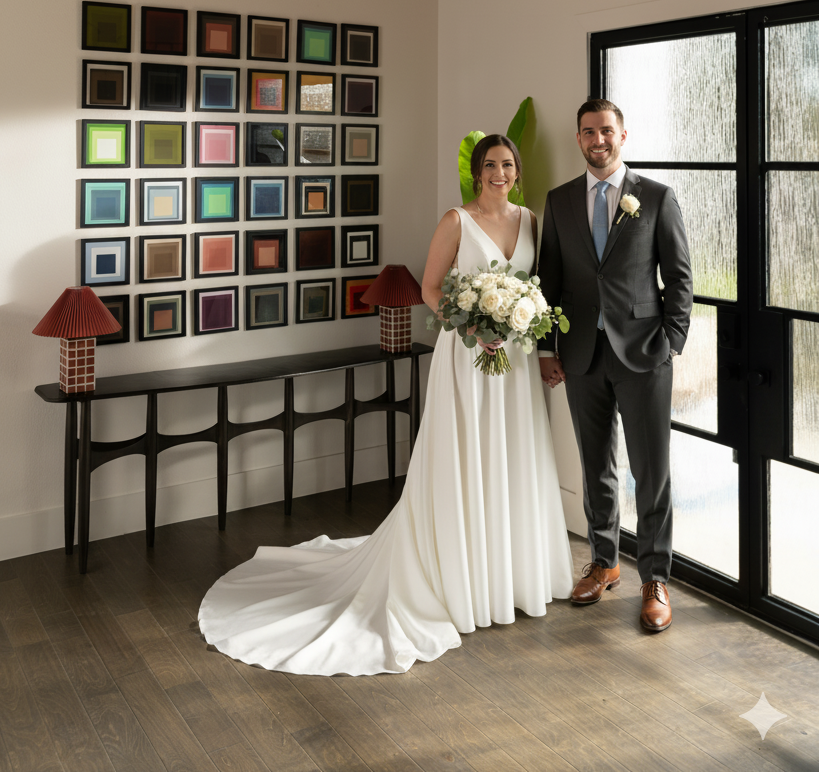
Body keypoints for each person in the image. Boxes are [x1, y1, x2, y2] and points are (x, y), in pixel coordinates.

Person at [199, 134, 573, 675]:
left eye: (507, 164)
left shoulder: (532, 221)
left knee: (512, 459)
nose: (499, 172)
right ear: (475, 171)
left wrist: (527, 331)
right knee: (464, 460)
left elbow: (538, 290)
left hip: (514, 362)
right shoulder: (455, 220)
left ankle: (510, 577)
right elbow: (429, 288)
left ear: (517, 171)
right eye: (489, 164)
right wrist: (471, 322)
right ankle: (459, 582)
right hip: (467, 356)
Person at [537, 98, 693, 632]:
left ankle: (655, 577)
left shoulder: (655, 197)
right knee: (594, 464)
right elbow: (549, 281)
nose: (596, 140)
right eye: (587, 132)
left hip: (645, 354)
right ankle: (605, 562)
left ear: (622, 136)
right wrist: (546, 349)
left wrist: (671, 340)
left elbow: (678, 276)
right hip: (581, 354)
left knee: (651, 471)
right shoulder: (558, 202)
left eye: (606, 130)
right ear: (577, 139)